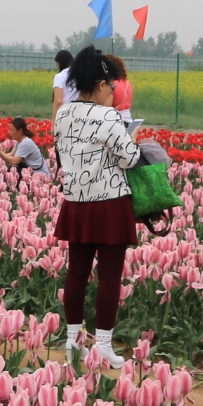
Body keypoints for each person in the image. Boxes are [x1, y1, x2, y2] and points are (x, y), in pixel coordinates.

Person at [52, 47, 140, 370]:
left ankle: (73, 341)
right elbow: (129, 158)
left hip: (76, 202)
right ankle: (103, 345)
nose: (114, 91)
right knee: (109, 276)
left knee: (76, 273)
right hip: (109, 203)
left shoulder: (63, 114)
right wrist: (133, 140)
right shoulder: (109, 116)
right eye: (111, 85)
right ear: (101, 84)